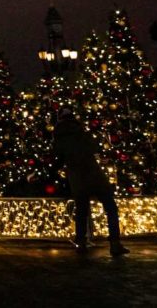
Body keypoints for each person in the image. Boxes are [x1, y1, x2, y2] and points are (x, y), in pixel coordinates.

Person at [53, 110, 127, 256]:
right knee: (111, 208)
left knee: (81, 211)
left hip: (77, 178)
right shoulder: (82, 132)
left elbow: (57, 157)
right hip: (94, 175)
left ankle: (81, 243)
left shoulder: (59, 137)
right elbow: (94, 148)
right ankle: (114, 243)